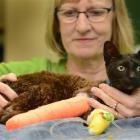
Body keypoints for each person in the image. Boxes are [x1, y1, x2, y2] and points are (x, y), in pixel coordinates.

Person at [0, 0, 140, 139]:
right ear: (56, 23)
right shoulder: (12, 71)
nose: (82, 27)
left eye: (96, 12)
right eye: (69, 13)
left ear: (116, 19)